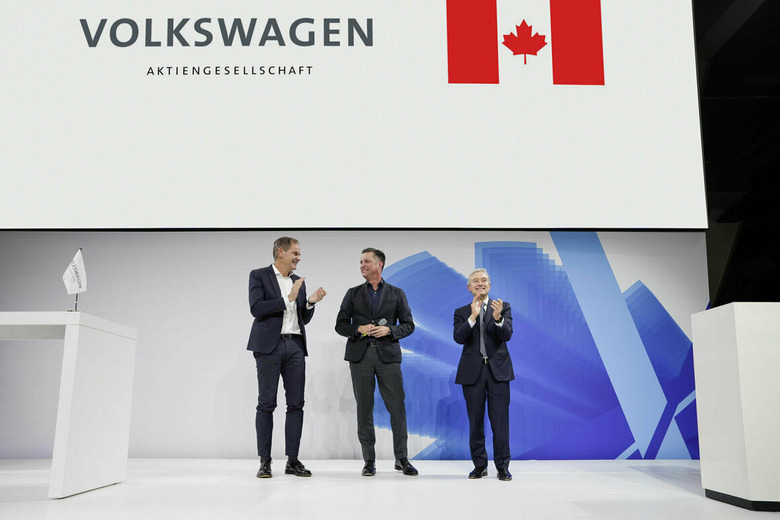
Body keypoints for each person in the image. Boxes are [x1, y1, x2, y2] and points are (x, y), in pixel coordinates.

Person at [246, 237, 326, 478]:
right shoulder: (259, 275)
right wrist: (286, 299)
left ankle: (292, 460)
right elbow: (256, 308)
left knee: (296, 404)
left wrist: (310, 302)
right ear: (280, 252)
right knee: (266, 404)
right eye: (295, 253)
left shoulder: (296, 281)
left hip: (295, 347)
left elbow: (303, 317)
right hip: (269, 348)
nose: (298, 258)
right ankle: (265, 462)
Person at [335, 248, 418, 477]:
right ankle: (369, 461)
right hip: (360, 357)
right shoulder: (352, 293)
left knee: (397, 409)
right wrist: (358, 329)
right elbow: (340, 325)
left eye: (367, 261)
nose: (362, 264)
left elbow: (409, 325)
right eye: (360, 261)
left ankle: (401, 458)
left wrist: (389, 330)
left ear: (379, 264)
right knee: (364, 410)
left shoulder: (397, 293)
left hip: (388, 357)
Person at [453, 268, 514, 481]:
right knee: (475, 421)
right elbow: (458, 338)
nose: (481, 283)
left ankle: (502, 467)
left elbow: (506, 334)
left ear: (490, 285)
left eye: (485, 280)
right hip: (472, 374)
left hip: (498, 372)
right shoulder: (462, 312)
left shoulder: (502, 307)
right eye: (476, 281)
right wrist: (472, 316)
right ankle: (479, 465)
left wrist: (497, 318)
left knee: (500, 422)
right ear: (469, 287)